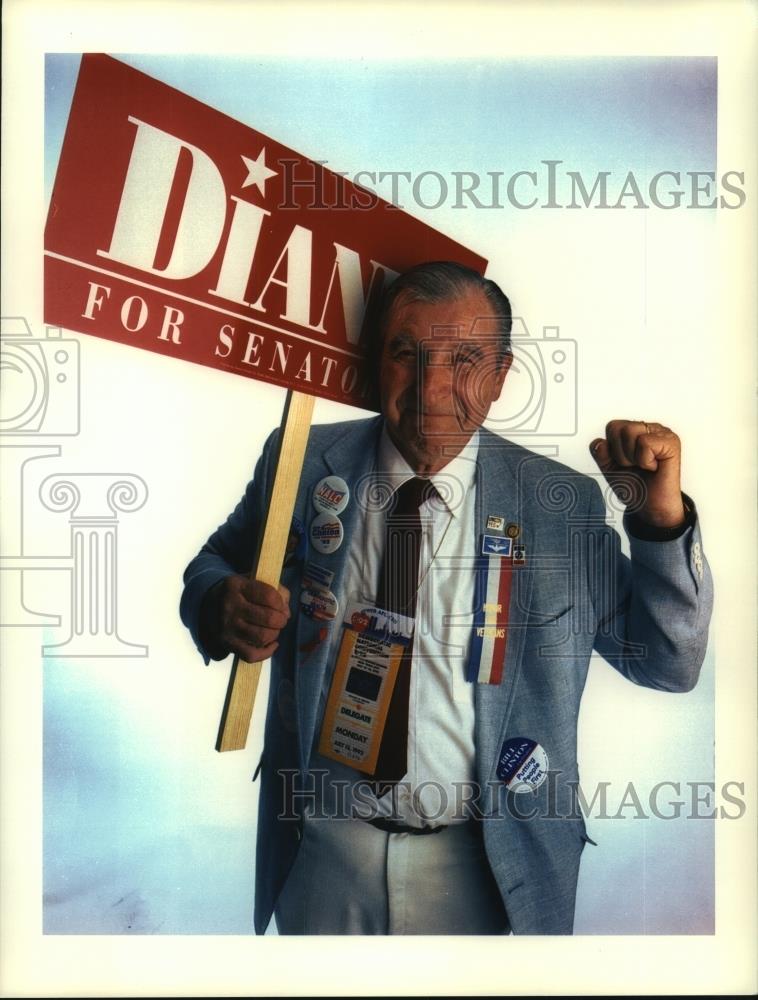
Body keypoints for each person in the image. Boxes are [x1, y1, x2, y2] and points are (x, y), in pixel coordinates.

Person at [180, 261, 713, 935]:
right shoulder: (302, 460)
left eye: (463, 358)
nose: (432, 387)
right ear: (379, 361)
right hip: (321, 852)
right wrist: (215, 602)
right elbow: (216, 563)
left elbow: (669, 661)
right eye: (407, 353)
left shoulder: (561, 507)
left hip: (488, 868)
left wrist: (658, 524)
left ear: (501, 374)